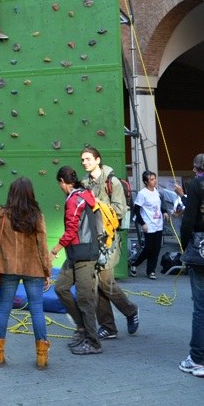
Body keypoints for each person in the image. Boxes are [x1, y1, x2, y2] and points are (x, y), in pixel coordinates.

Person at [0, 177, 51, 369]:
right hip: (34, 268)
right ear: (30, 194)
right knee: (37, 310)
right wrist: (47, 271)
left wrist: (0, 257)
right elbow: (42, 247)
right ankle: (41, 356)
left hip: (8, 268)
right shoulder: (37, 216)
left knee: (4, 309)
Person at [81, 146, 139, 339]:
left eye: (88, 159)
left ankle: (130, 311)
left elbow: (120, 210)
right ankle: (108, 326)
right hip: (90, 239)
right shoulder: (84, 183)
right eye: (83, 160)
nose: (85, 162)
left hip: (108, 240)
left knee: (105, 282)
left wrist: (97, 204)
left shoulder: (112, 182)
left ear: (98, 160)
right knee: (96, 283)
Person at [52, 166, 102, 355]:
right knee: (61, 288)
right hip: (77, 253)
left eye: (60, 183)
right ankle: (82, 328)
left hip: (83, 254)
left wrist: (54, 250)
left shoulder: (75, 200)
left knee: (85, 299)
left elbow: (72, 230)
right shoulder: (84, 195)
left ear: (63, 182)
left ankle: (93, 342)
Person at [178, 153, 204, 378]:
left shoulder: (197, 185)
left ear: (197, 169)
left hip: (201, 249)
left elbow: (188, 220)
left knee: (201, 307)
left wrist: (185, 244)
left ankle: (197, 358)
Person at [131, 171, 167, 280]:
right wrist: (143, 223)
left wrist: (164, 212)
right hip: (148, 224)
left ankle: (151, 271)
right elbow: (136, 210)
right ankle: (135, 264)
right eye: (151, 179)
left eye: (154, 178)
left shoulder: (157, 192)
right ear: (146, 182)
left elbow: (160, 205)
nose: (154, 181)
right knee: (148, 248)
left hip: (158, 224)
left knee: (156, 249)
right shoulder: (142, 194)